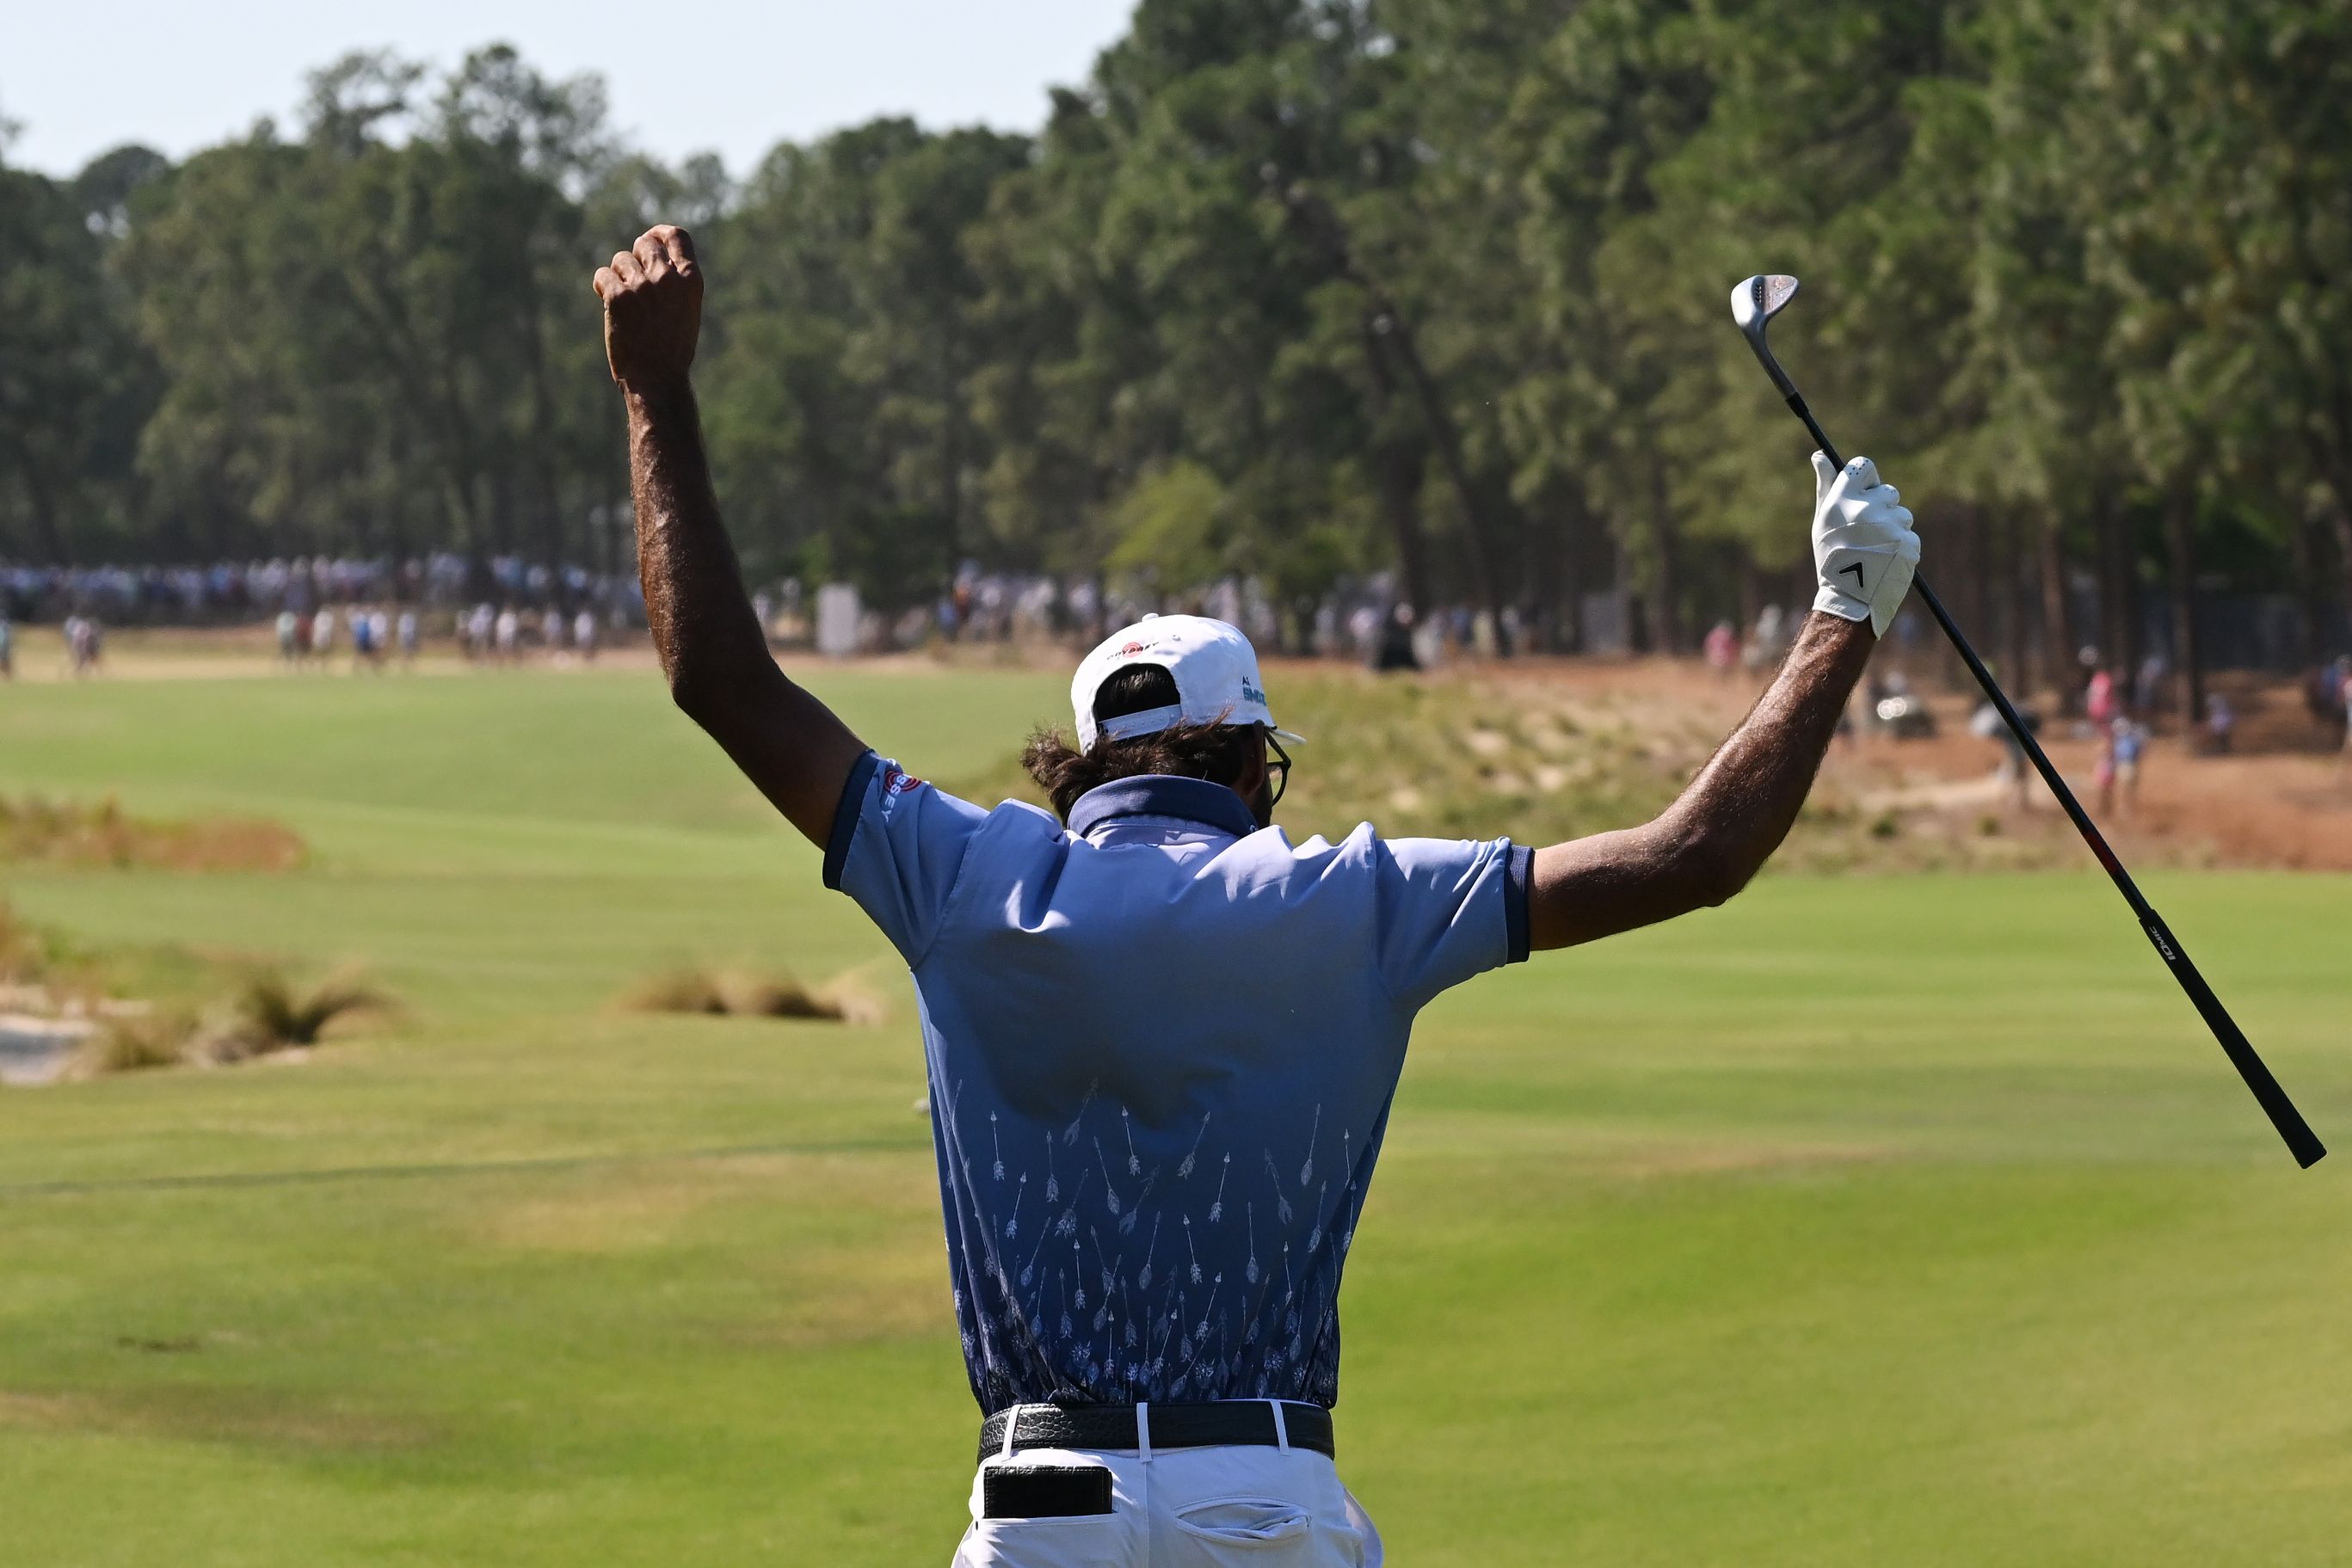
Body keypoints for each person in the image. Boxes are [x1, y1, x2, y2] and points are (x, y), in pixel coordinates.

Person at [594, 223, 1923, 1568]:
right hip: (1269, 1501)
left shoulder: (955, 869)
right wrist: (1840, 616)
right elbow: (1689, 856)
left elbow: (719, 678)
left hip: (1040, 1506)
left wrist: (655, 388)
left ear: (1080, 767)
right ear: (1249, 761)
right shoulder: (1355, 898)